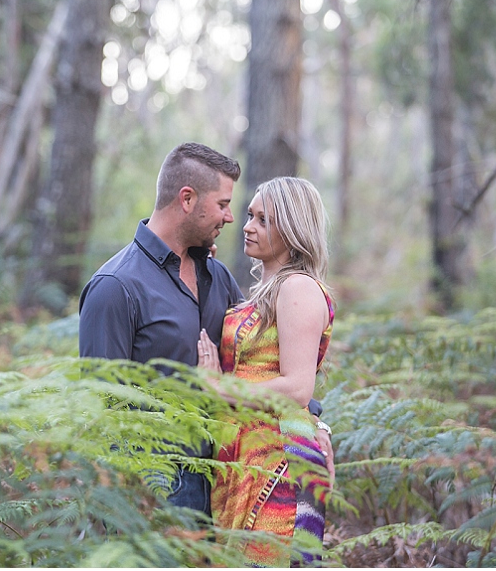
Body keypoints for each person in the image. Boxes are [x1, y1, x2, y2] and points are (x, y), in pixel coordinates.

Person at [79, 143, 333, 518]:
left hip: (228, 474)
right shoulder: (116, 286)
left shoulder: (217, 276)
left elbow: (257, 359)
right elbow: (102, 405)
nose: (233, 219)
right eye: (223, 205)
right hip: (158, 485)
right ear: (187, 199)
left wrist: (314, 419)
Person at [197, 176, 334, 566]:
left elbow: (297, 388)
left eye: (263, 219)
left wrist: (220, 389)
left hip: (279, 463)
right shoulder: (268, 290)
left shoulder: (298, 289)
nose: (247, 225)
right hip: (246, 458)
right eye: (249, 215)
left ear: (291, 231)